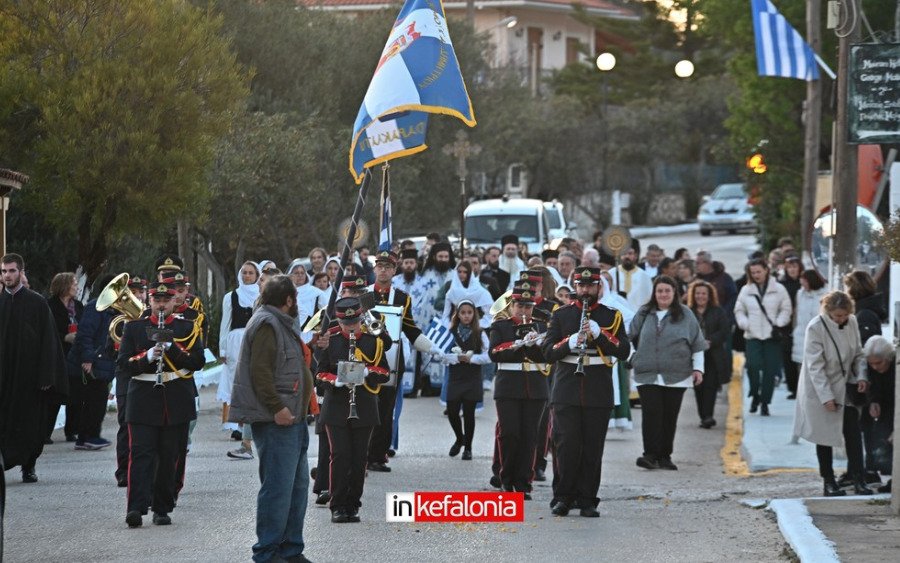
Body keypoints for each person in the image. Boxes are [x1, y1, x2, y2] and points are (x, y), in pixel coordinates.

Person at [228, 275, 314, 562]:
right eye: (296, 299)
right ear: (288, 300)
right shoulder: (267, 323)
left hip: (295, 419)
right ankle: (267, 552)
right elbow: (260, 372)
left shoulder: (280, 322)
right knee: (277, 489)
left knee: (297, 487)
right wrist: (277, 407)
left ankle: (291, 550)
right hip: (278, 420)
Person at [542, 267, 630, 517]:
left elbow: (623, 350)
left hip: (598, 389)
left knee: (592, 448)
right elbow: (547, 352)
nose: (585, 291)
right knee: (565, 446)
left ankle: (588, 498)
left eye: (590, 286)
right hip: (567, 388)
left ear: (598, 287)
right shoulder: (561, 315)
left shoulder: (611, 316)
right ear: (575, 286)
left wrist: (600, 334)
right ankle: (562, 497)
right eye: (581, 286)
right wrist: (570, 341)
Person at [118, 282, 206, 527]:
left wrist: (172, 348)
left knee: (170, 456)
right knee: (140, 455)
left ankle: (162, 508)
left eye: (166, 300)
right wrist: (147, 356)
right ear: (150, 301)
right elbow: (123, 363)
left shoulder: (186, 327)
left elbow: (198, 361)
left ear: (173, 301)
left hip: (175, 398)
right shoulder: (134, 327)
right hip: (143, 398)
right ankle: (135, 507)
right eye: (157, 300)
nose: (161, 304)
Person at [316, 297, 391, 523]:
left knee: (359, 458)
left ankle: (353, 504)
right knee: (340, 455)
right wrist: (336, 380)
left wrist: (367, 373)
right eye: (346, 323)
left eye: (355, 322)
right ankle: (337, 504)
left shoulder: (372, 342)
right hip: (337, 406)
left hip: (365, 406)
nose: (351, 327)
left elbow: (385, 373)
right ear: (338, 322)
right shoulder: (332, 342)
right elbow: (319, 375)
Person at [792, 291, 873, 496]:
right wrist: (826, 397)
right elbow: (815, 366)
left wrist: (862, 376)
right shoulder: (816, 328)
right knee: (824, 435)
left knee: (853, 433)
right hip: (821, 387)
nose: (841, 319)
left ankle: (858, 478)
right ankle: (828, 481)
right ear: (828, 312)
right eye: (837, 316)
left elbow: (858, 353)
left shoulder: (852, 322)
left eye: (844, 315)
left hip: (846, 385)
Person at [367, 250, 437, 472]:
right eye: (380, 266)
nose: (384, 270)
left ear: (395, 270)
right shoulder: (364, 294)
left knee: (386, 410)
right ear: (374, 268)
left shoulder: (402, 297)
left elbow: (410, 328)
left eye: (388, 266)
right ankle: (362, 453)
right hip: (365, 358)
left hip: (391, 361)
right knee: (365, 407)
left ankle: (378, 455)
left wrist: (432, 348)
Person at [0, 253, 67, 483]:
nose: (7, 276)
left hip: (29, 379)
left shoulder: (37, 303)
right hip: (4, 379)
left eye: (11, 271)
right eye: (4, 271)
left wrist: (47, 375)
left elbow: (49, 341)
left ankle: (29, 466)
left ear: (21, 272)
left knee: (31, 425)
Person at [630, 276, 706, 470]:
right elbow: (627, 337)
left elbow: (697, 344)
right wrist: (633, 357)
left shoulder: (686, 315)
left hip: (677, 375)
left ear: (674, 293)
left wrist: (698, 369)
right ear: (654, 293)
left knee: (669, 416)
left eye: (667, 291)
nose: (663, 295)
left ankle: (665, 456)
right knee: (651, 414)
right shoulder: (644, 313)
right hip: (647, 373)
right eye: (659, 291)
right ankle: (650, 455)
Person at [489, 282, 550, 497]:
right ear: (511, 305)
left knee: (530, 436)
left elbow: (548, 357)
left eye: (528, 307)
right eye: (519, 306)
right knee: (509, 434)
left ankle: (524, 483)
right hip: (508, 386)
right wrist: (517, 344)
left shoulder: (542, 327)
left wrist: (534, 346)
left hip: (535, 387)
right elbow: (495, 353)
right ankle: (507, 478)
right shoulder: (500, 326)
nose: (523, 311)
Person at [734, 258, 791, 416]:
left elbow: (786, 308)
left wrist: (779, 323)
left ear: (766, 270)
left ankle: (765, 402)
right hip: (752, 335)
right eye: (753, 272)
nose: (756, 275)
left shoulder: (779, 289)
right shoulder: (746, 290)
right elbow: (739, 310)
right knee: (753, 366)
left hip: (772, 336)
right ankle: (755, 394)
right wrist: (745, 324)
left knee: (770, 370)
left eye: (759, 271)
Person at [69, 273, 118, 450]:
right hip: (94, 363)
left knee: (95, 401)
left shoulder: (112, 310)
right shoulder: (95, 307)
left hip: (103, 363)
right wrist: (88, 359)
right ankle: (90, 436)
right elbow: (85, 335)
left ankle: (85, 438)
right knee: (95, 402)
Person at [219, 261, 260, 456]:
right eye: (244, 272)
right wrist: (222, 349)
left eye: (251, 273)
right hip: (235, 342)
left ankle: (251, 430)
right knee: (237, 384)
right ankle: (237, 425)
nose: (247, 276)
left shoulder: (262, 296)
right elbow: (224, 323)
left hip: (254, 341)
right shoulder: (231, 297)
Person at [442, 300, 490, 460]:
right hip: (455, 377)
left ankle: (468, 447)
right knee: (452, 410)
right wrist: (456, 357)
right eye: (463, 313)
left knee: (469, 414)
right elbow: (442, 355)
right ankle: (459, 438)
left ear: (474, 314)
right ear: (458, 314)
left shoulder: (479, 332)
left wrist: (472, 359)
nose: (466, 316)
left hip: (472, 378)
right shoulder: (451, 331)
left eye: (469, 312)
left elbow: (488, 355)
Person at [686, 280, 730, 428]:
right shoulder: (688, 311)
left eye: (703, 293)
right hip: (694, 355)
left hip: (713, 355)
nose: (700, 296)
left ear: (709, 295)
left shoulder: (718, 311)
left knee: (710, 386)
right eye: (697, 293)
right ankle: (703, 415)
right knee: (699, 386)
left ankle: (708, 416)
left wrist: (711, 341)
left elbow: (724, 331)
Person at [47, 272, 83, 443]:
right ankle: (45, 432)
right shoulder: (50, 305)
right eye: (74, 283)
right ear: (64, 285)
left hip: (74, 355)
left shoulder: (78, 305)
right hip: (57, 354)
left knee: (75, 394)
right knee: (54, 395)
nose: (77, 287)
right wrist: (63, 337)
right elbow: (47, 330)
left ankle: (72, 430)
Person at [790, 270, 828, 400]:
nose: (802, 284)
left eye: (805, 281)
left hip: (817, 335)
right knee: (801, 368)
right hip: (801, 334)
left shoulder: (825, 295)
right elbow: (796, 314)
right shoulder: (800, 294)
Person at [863, 336, 894, 493]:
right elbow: (872, 386)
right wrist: (873, 401)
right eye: (871, 363)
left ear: (888, 358)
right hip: (885, 408)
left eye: (879, 363)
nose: (874, 367)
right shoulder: (871, 369)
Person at [441, 260, 493, 325]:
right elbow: (445, 315)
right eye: (459, 272)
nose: (461, 274)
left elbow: (490, 315)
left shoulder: (480, 291)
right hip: (455, 330)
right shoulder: (451, 292)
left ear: (469, 273)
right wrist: (450, 325)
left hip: (475, 330)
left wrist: (478, 324)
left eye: (465, 272)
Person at [843, 270, 886, 345]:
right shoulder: (866, 309)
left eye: (847, 287)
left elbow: (866, 347)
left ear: (852, 289)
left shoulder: (865, 315)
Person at [615, 244, 652, 310]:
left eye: (630, 253)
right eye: (624, 253)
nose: (627, 256)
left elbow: (649, 298)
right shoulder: (612, 273)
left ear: (636, 256)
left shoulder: (644, 276)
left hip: (637, 315)